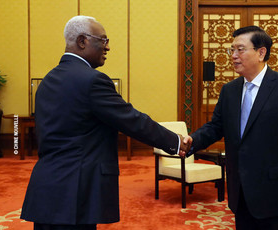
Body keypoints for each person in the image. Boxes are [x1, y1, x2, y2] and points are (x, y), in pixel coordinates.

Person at [20, 15, 190, 230]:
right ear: (82, 41)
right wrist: (176, 142)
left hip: (46, 188)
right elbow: (131, 120)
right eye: (103, 40)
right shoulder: (92, 80)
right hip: (76, 190)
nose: (108, 47)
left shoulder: (47, 81)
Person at [183, 26, 278, 230]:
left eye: (240, 49)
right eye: (232, 50)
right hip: (241, 193)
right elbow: (216, 126)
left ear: (261, 52)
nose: (233, 56)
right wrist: (193, 140)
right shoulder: (230, 90)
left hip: (277, 197)